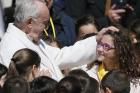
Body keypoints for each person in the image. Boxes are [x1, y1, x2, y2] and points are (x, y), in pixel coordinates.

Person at [0, 0, 118, 81]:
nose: (46, 29)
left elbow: (60, 56)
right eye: (44, 24)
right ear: (29, 22)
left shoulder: (31, 38)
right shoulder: (10, 46)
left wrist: (95, 41)